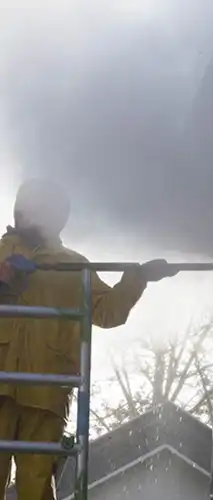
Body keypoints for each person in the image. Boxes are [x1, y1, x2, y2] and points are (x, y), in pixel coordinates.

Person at [0, 178, 177, 499]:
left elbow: (107, 312)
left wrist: (137, 279)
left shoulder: (73, 266)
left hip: (46, 394)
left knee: (36, 485)